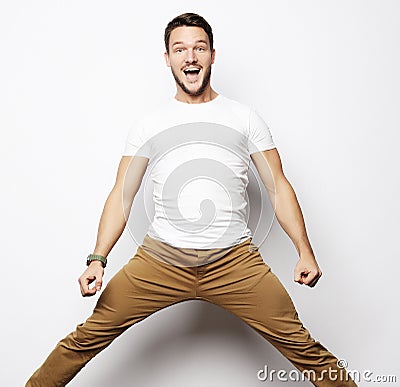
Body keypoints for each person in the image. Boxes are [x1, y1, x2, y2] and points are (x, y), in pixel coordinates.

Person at [26, 12, 357, 387]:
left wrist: (304, 250)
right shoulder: (149, 124)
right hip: (160, 260)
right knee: (85, 339)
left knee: (301, 345)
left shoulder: (244, 118)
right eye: (179, 49)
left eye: (199, 47)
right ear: (167, 58)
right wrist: (97, 259)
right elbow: (122, 194)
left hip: (234, 262)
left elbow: (277, 185)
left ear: (213, 55)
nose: (191, 57)